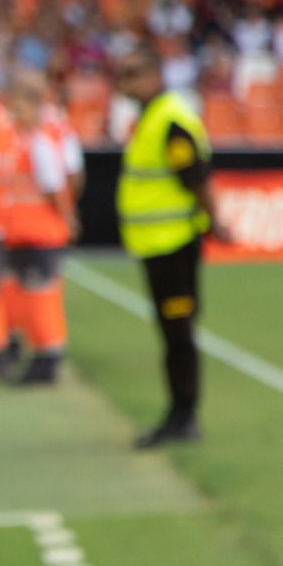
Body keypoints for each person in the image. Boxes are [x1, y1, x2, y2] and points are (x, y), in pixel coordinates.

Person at [114, 43, 230, 448]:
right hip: (158, 245)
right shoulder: (153, 118)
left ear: (154, 76)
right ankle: (181, 413)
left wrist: (216, 221)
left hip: (173, 245)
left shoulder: (169, 119)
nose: (123, 82)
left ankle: (184, 416)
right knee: (173, 332)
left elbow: (195, 177)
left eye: (132, 74)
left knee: (178, 332)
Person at [0, 73, 76, 385]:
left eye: (21, 107)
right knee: (23, 295)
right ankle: (36, 351)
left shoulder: (40, 143)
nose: (15, 113)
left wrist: (67, 218)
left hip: (40, 234)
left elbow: (55, 187)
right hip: (21, 233)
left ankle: (47, 357)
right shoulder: (21, 142)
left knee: (41, 296)